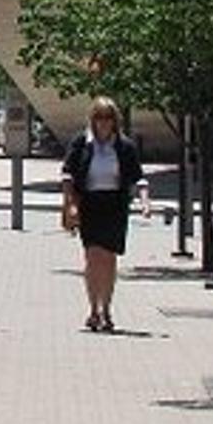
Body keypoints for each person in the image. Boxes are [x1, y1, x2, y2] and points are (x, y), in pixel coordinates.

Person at [60, 96, 148, 332]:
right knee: (92, 256)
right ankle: (93, 309)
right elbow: (67, 174)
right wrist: (70, 205)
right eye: (99, 117)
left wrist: (145, 203)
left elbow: (138, 177)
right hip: (89, 203)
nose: (103, 123)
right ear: (92, 119)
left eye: (108, 117)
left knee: (109, 259)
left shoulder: (124, 146)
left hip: (115, 205)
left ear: (114, 120)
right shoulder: (81, 143)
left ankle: (106, 308)